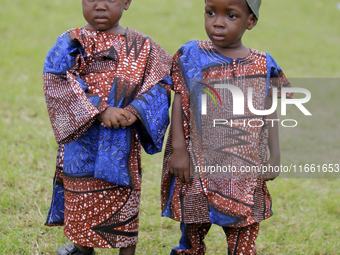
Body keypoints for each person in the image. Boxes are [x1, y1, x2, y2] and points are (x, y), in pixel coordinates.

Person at [161, 0, 292, 254]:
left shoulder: (264, 65)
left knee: (244, 226)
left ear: (250, 21)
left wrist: (274, 155)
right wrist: (178, 149)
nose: (217, 22)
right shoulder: (191, 55)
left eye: (231, 15)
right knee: (193, 224)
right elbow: (179, 98)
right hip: (197, 162)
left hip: (244, 165)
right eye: (210, 12)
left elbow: (269, 110)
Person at [43, 0, 172, 254]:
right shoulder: (72, 41)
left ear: (126, 2)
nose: (100, 6)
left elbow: (163, 79)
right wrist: (99, 109)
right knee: (81, 197)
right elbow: (56, 77)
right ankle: (81, 247)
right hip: (81, 144)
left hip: (122, 144)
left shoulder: (142, 45)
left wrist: (136, 111)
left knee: (124, 200)